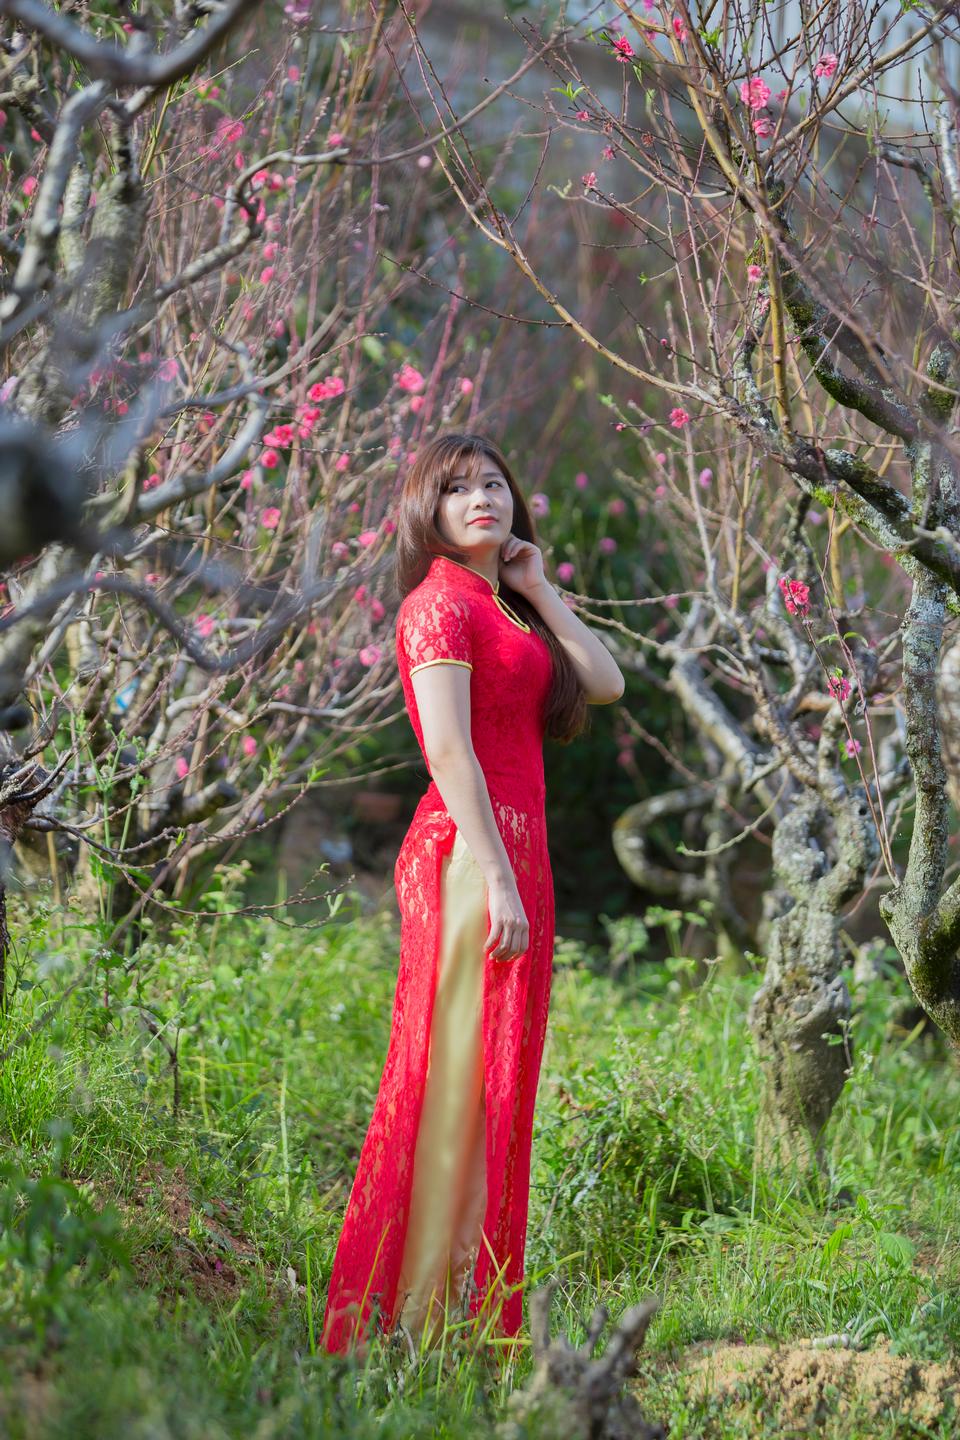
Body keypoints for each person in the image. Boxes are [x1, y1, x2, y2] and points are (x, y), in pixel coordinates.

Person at [321, 432, 625, 1355]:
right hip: (466, 860)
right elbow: (448, 750)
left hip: (514, 860)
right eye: (458, 490)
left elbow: (605, 683)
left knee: (496, 1087)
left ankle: (454, 1319)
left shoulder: (506, 607)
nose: (482, 498)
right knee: (450, 1080)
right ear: (431, 514)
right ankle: (406, 1325)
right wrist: (495, 874)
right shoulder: (436, 606)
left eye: (495, 483)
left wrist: (539, 587)